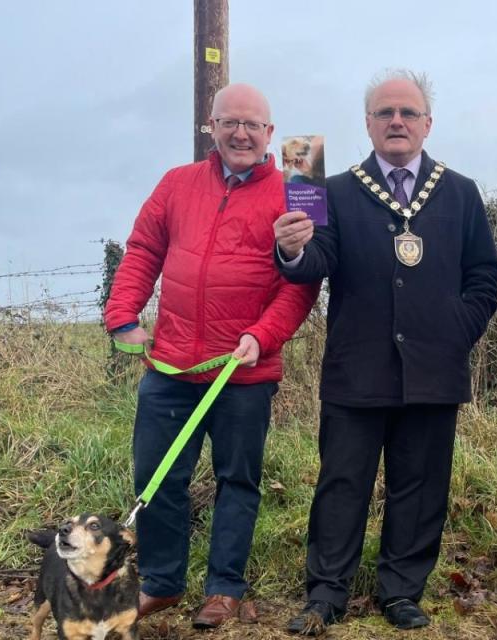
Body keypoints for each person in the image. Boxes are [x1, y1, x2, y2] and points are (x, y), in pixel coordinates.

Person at [273, 69, 497, 635]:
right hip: (358, 369)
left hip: (434, 370)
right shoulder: (328, 187)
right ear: (368, 124)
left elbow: (484, 275)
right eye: (384, 113)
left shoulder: (461, 191)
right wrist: (293, 250)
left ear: (427, 123)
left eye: (407, 113)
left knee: (420, 486)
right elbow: (316, 261)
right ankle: (326, 594)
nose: (396, 122)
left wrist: (455, 331)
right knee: (341, 484)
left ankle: (401, 592)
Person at [104, 84, 320, 629]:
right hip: (171, 364)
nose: (241, 133)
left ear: (271, 134)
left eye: (253, 125)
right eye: (230, 123)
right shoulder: (177, 184)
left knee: (237, 481)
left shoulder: (296, 188)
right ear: (212, 126)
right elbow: (143, 249)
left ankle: (223, 588)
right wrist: (123, 315)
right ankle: (161, 581)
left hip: (244, 370)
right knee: (157, 475)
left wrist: (262, 336)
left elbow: (302, 282)